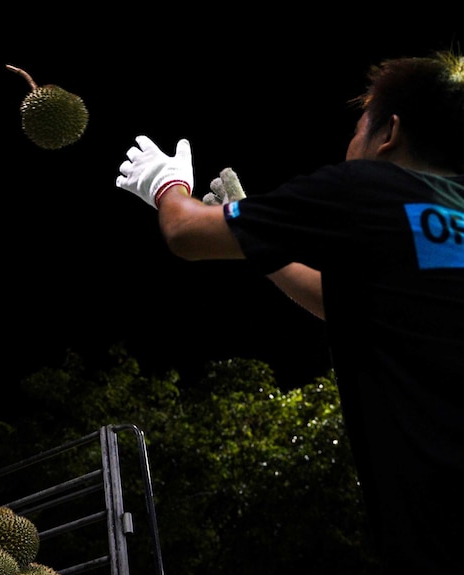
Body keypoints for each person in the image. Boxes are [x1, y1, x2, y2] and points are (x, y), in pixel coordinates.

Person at [115, 49, 463, 573]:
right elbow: (344, 304)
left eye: (357, 130)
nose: (350, 146)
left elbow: (186, 234)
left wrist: (167, 185)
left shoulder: (365, 188)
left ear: (388, 133)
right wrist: (265, 246)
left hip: (438, 527)